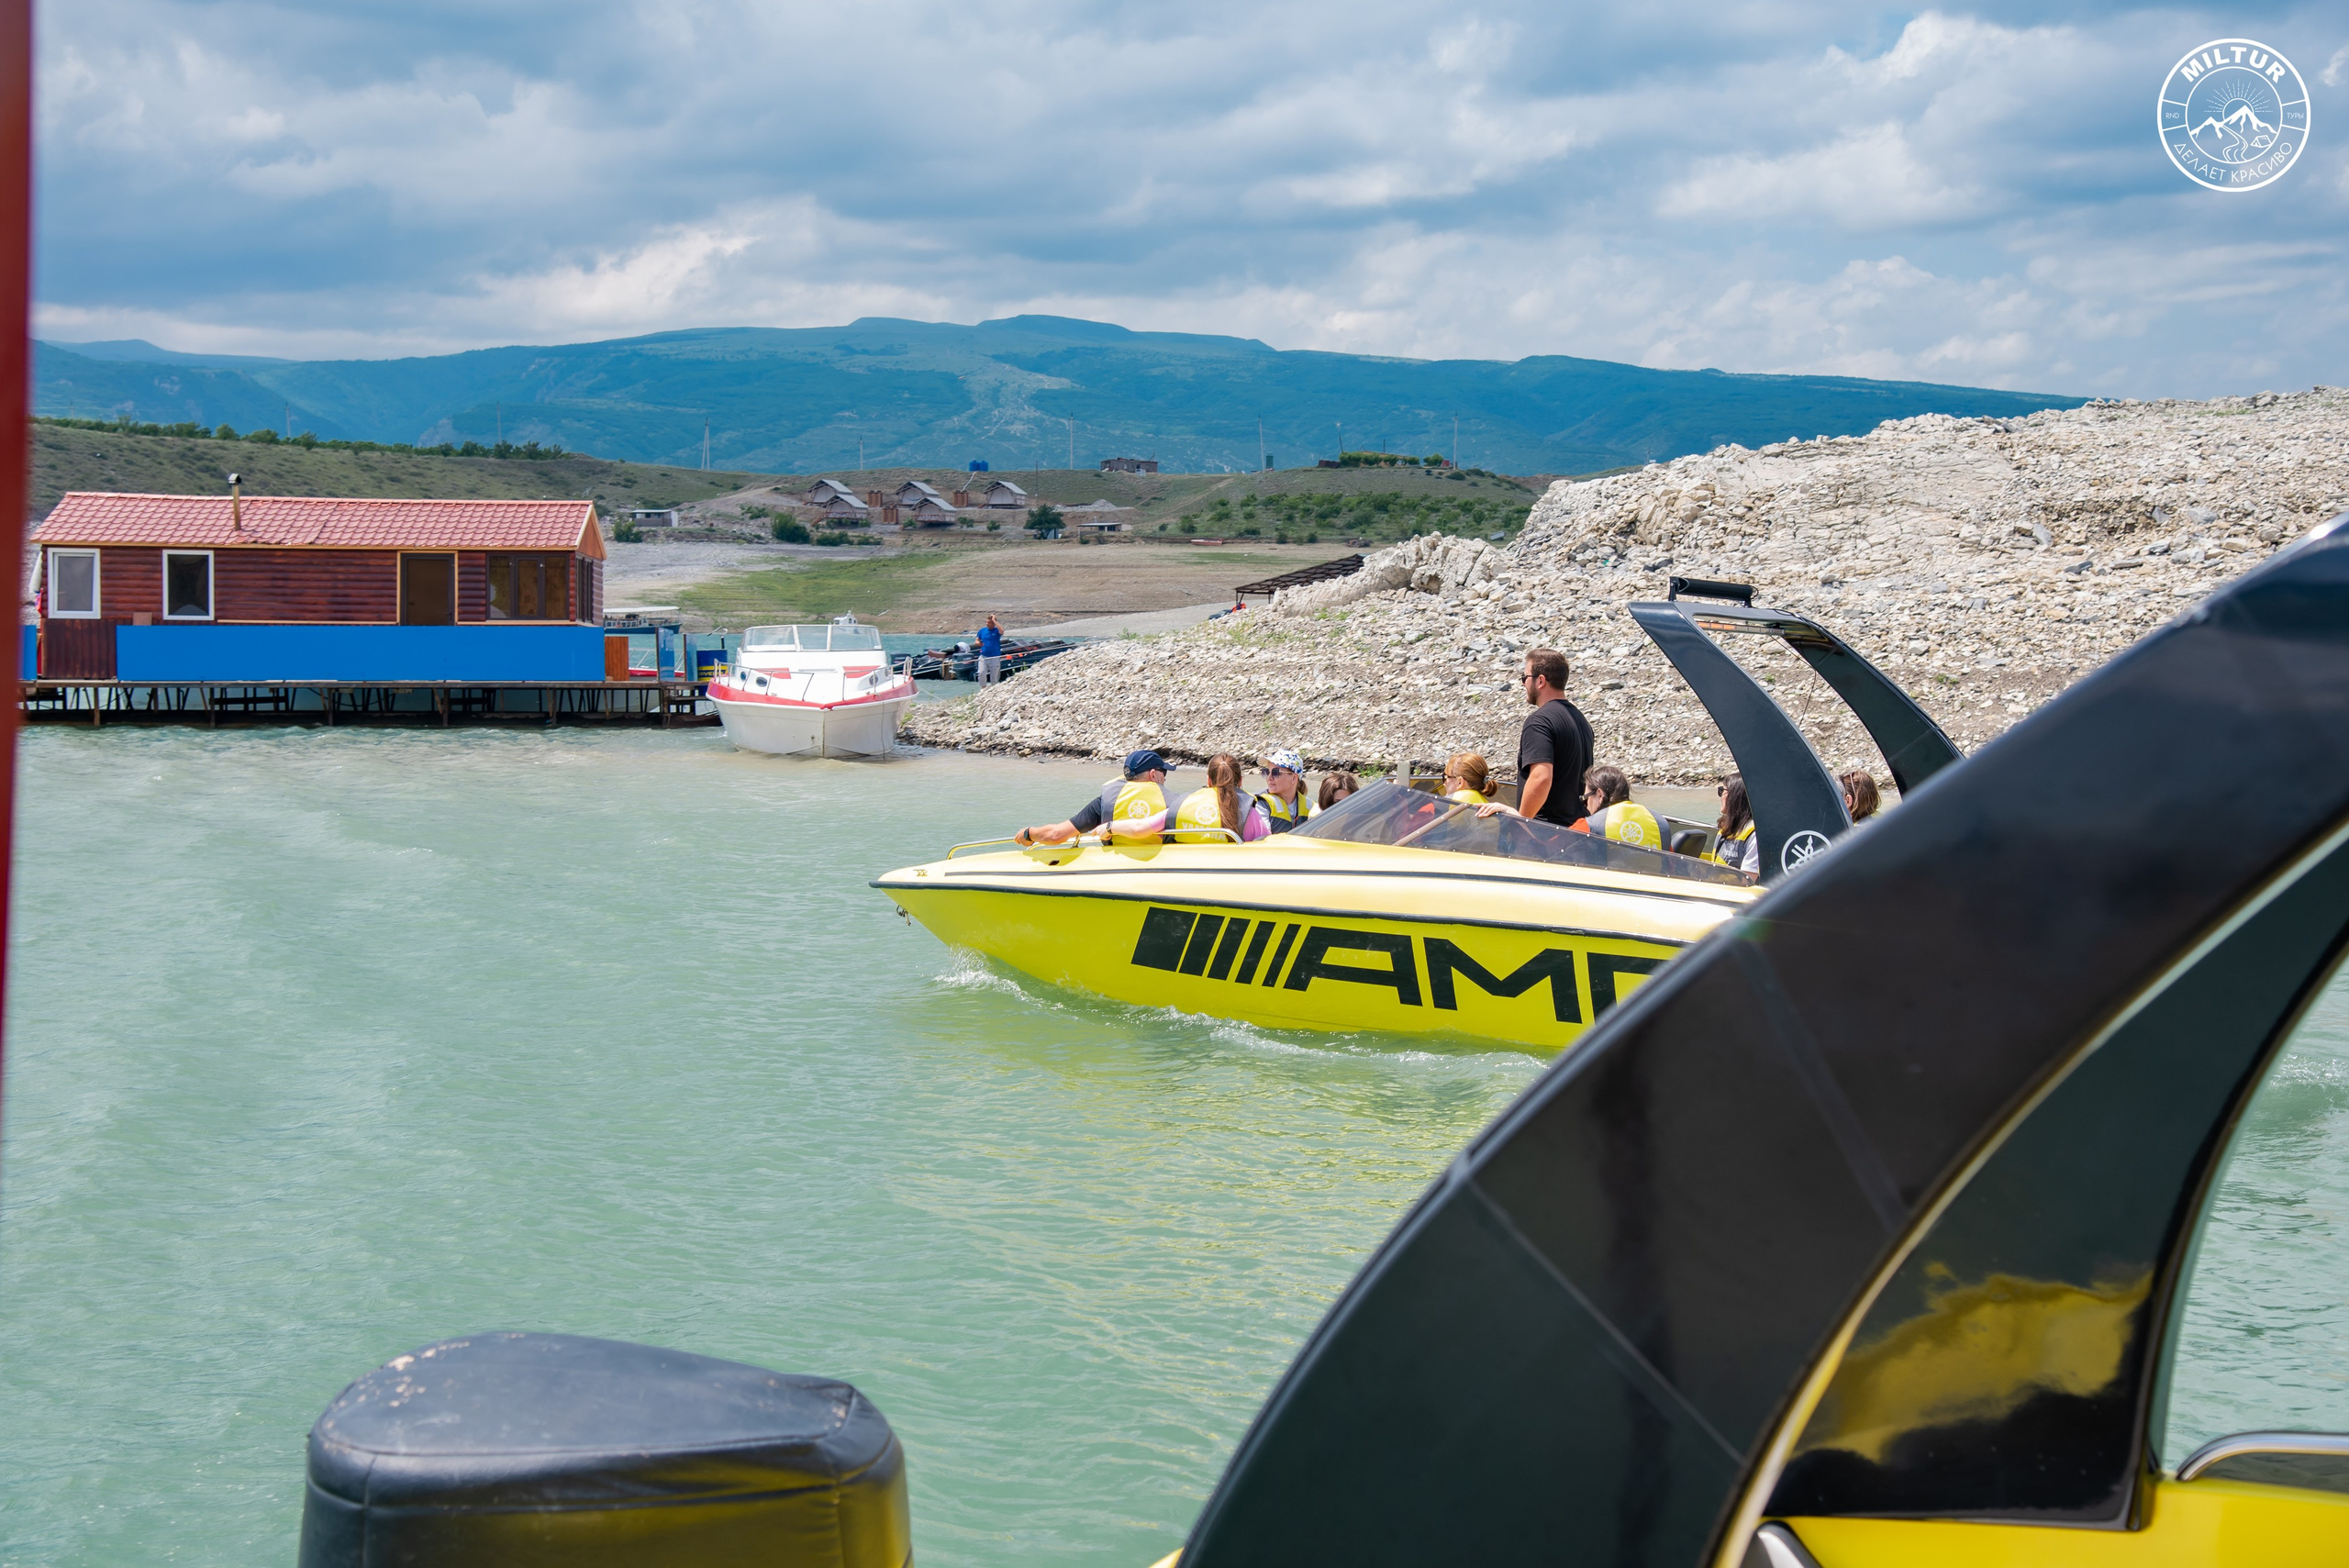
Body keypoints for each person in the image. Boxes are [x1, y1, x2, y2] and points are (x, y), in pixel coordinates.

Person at [1015, 750, 1173, 847]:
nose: (1165, 779)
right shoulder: (1174, 803)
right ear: (1153, 774)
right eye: (1163, 773)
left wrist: (1029, 833)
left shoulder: (1106, 802)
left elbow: (1056, 835)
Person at [1515, 647, 1595, 829]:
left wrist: (1520, 823)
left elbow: (1541, 777)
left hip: (1545, 832)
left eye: (1525, 678)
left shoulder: (1539, 722)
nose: (1523, 684)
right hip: (1576, 829)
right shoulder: (1582, 720)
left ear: (1540, 681)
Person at [1172, 753, 1270, 843]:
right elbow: (1267, 845)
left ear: (1208, 781)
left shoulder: (1183, 806)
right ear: (1240, 781)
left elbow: (1156, 829)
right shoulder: (1250, 814)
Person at [1579, 764, 1665, 850]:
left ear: (1599, 794)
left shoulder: (1587, 826)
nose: (1586, 806)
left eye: (1586, 799)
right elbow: (1670, 861)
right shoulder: (1659, 823)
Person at [1259, 748, 1317, 833]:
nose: (1269, 778)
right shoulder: (1261, 804)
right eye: (1266, 772)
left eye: (1276, 772)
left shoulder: (1311, 807)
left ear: (1294, 778)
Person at [1713, 775, 1759, 875]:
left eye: (1722, 790)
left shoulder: (1754, 836)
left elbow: (1748, 880)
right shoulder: (1727, 829)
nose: (1720, 796)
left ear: (1735, 796)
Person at [976, 614, 1005, 686]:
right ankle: (983, 688)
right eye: (987, 622)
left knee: (994, 676)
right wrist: (978, 643)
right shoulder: (982, 631)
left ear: (993, 624)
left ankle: (994, 689)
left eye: (989, 623)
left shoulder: (996, 631)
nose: (987, 624)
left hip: (994, 657)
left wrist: (994, 621)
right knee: (981, 673)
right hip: (984, 656)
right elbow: (977, 640)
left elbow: (1002, 630)